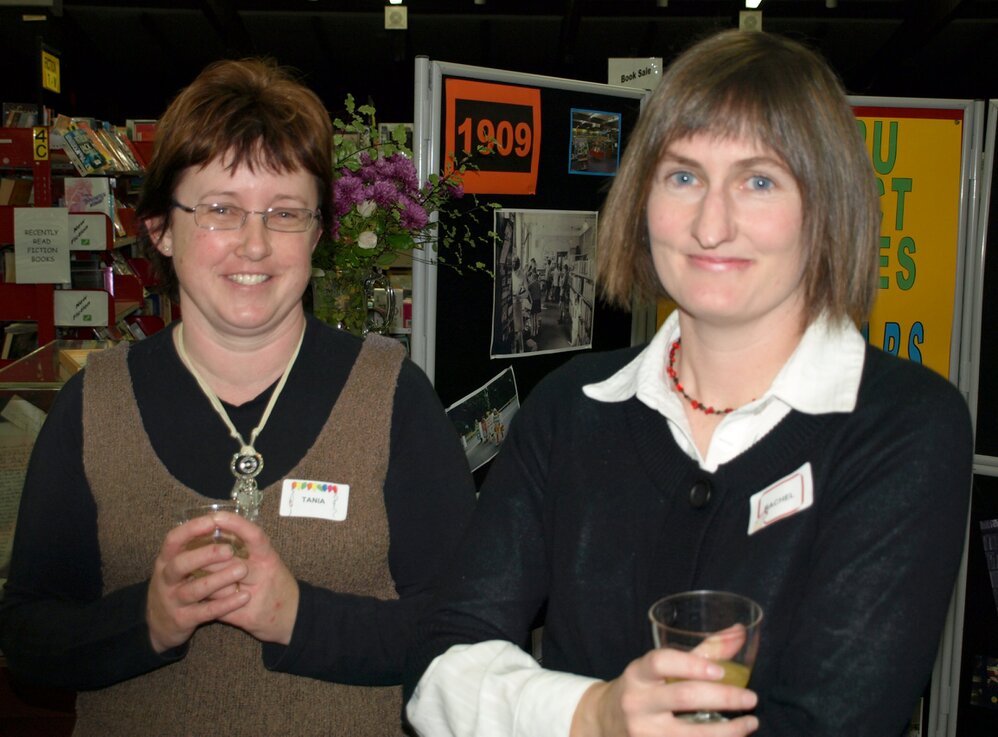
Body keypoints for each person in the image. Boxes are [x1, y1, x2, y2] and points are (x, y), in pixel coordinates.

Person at [403, 29, 973, 737]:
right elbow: (442, 661)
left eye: (758, 180)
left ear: (826, 207)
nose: (711, 224)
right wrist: (593, 715)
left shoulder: (902, 425)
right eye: (683, 176)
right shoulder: (572, 407)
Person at [0, 59, 476, 737]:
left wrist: (298, 617)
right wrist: (149, 620)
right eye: (220, 209)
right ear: (162, 227)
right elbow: (28, 638)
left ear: (316, 234)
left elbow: (461, 629)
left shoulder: (393, 394)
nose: (255, 243)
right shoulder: (93, 405)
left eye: (285, 213)